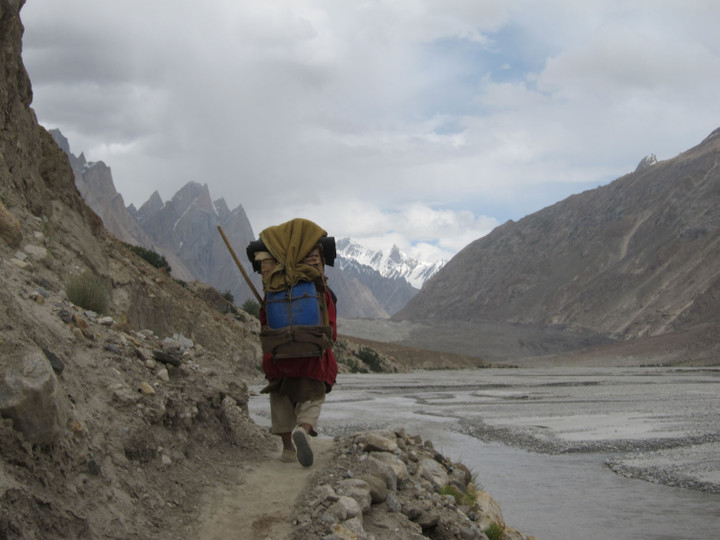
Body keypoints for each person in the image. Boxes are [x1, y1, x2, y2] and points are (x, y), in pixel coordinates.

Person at [255, 242, 338, 467]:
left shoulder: (271, 293)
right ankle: (303, 429)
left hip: (279, 360)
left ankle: (287, 449)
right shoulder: (322, 294)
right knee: (313, 397)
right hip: (312, 359)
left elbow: (265, 326)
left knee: (280, 396)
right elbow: (331, 329)